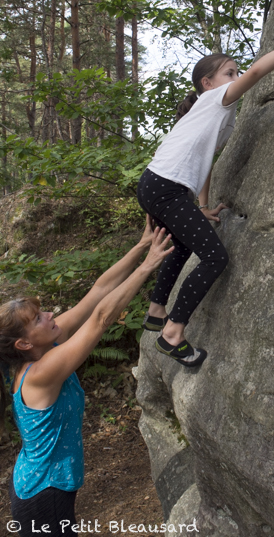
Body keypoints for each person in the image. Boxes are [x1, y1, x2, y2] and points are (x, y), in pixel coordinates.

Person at [137, 19, 274, 366]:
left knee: (183, 246)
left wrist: (202, 206)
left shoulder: (217, 118)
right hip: (164, 188)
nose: (237, 76)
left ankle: (156, 311)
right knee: (215, 257)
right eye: (230, 72)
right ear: (208, 83)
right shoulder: (215, 100)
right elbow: (258, 71)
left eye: (236, 72)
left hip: (158, 186)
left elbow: (206, 162)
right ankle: (172, 333)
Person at [0, 220, 173, 537]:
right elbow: (102, 318)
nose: (50, 315)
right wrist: (147, 266)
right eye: (39, 318)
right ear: (24, 343)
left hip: (42, 484)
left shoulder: (42, 346)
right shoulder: (39, 374)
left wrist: (140, 245)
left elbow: (98, 293)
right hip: (43, 495)